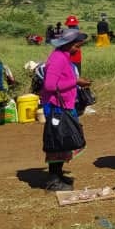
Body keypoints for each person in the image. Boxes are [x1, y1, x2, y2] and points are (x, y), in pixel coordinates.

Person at [40, 28, 91, 191]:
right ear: (70, 45)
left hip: (63, 106)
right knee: (58, 142)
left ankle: (58, 174)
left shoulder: (63, 56)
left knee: (63, 141)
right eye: (77, 45)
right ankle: (53, 179)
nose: (79, 48)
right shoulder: (58, 59)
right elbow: (49, 85)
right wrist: (75, 82)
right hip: (56, 107)